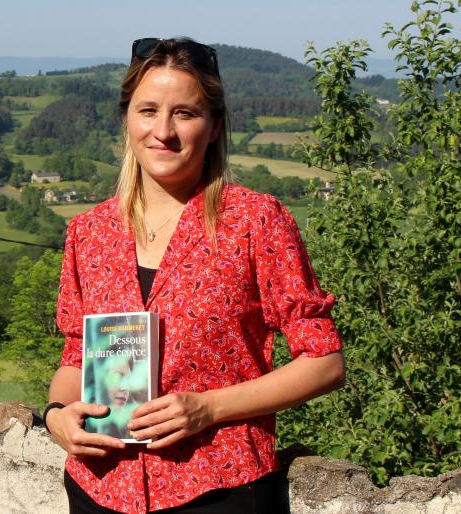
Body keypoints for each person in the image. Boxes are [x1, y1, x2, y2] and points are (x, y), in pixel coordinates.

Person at [43, 37, 346, 514]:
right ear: (127, 119)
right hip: (100, 487)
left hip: (220, 488)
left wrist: (209, 408)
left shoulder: (255, 222)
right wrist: (57, 416)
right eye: (148, 111)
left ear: (214, 125)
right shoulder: (89, 233)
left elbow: (324, 362)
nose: (163, 131)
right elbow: (76, 358)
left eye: (184, 113)